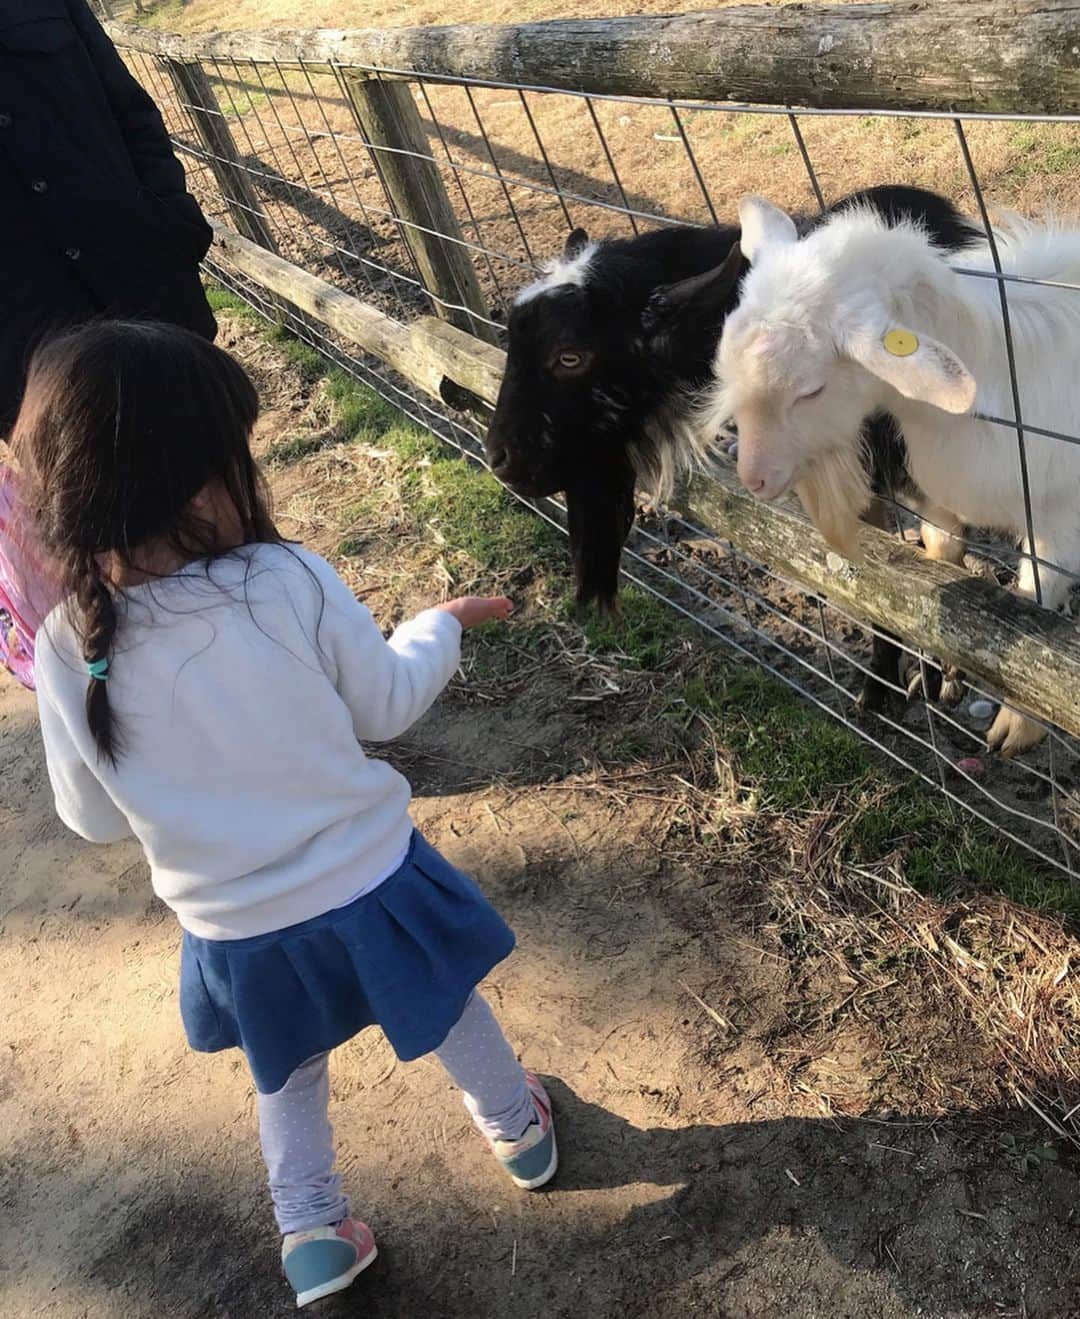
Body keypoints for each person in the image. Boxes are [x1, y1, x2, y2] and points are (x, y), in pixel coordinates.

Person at [18, 321, 557, 1309]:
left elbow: (92, 816)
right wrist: (434, 627)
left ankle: (311, 1232)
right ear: (206, 475)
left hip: (236, 931)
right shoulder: (287, 577)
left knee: (289, 1070)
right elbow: (386, 707)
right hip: (372, 882)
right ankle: (520, 1130)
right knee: (444, 1005)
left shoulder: (63, 643)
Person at [0, 0, 217, 688]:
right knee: (103, 540)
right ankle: (173, 712)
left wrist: (173, 225)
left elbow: (133, 113)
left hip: (142, 290)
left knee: (213, 495)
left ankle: (284, 674)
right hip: (26, 345)